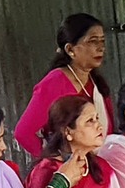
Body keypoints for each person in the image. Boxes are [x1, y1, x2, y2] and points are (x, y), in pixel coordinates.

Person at [17, 12, 114, 158]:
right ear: (70, 49)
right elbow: (23, 133)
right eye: (93, 41)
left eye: (102, 41)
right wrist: (55, 160)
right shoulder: (55, 82)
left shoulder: (96, 82)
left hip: (100, 164)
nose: (101, 48)